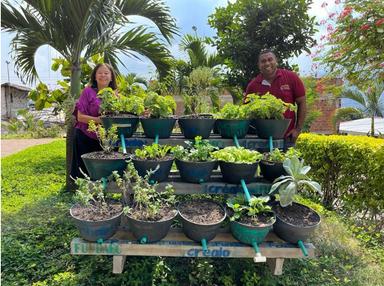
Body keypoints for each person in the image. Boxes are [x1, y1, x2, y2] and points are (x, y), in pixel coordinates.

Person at [244, 49, 306, 148]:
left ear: (276, 61)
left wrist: (297, 129)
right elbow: (246, 112)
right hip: (260, 139)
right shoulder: (253, 86)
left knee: (284, 163)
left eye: (270, 59)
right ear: (259, 65)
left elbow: (302, 102)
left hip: (287, 137)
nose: (267, 63)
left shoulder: (291, 77)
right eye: (263, 61)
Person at [70, 63, 118, 179]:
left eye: (106, 73)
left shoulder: (115, 96)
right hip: (85, 137)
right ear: (95, 77)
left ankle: (102, 193)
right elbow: (80, 117)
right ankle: (83, 194)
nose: (103, 75)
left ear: (111, 77)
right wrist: (101, 121)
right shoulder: (87, 92)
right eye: (100, 73)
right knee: (84, 172)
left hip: (107, 139)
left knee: (105, 172)